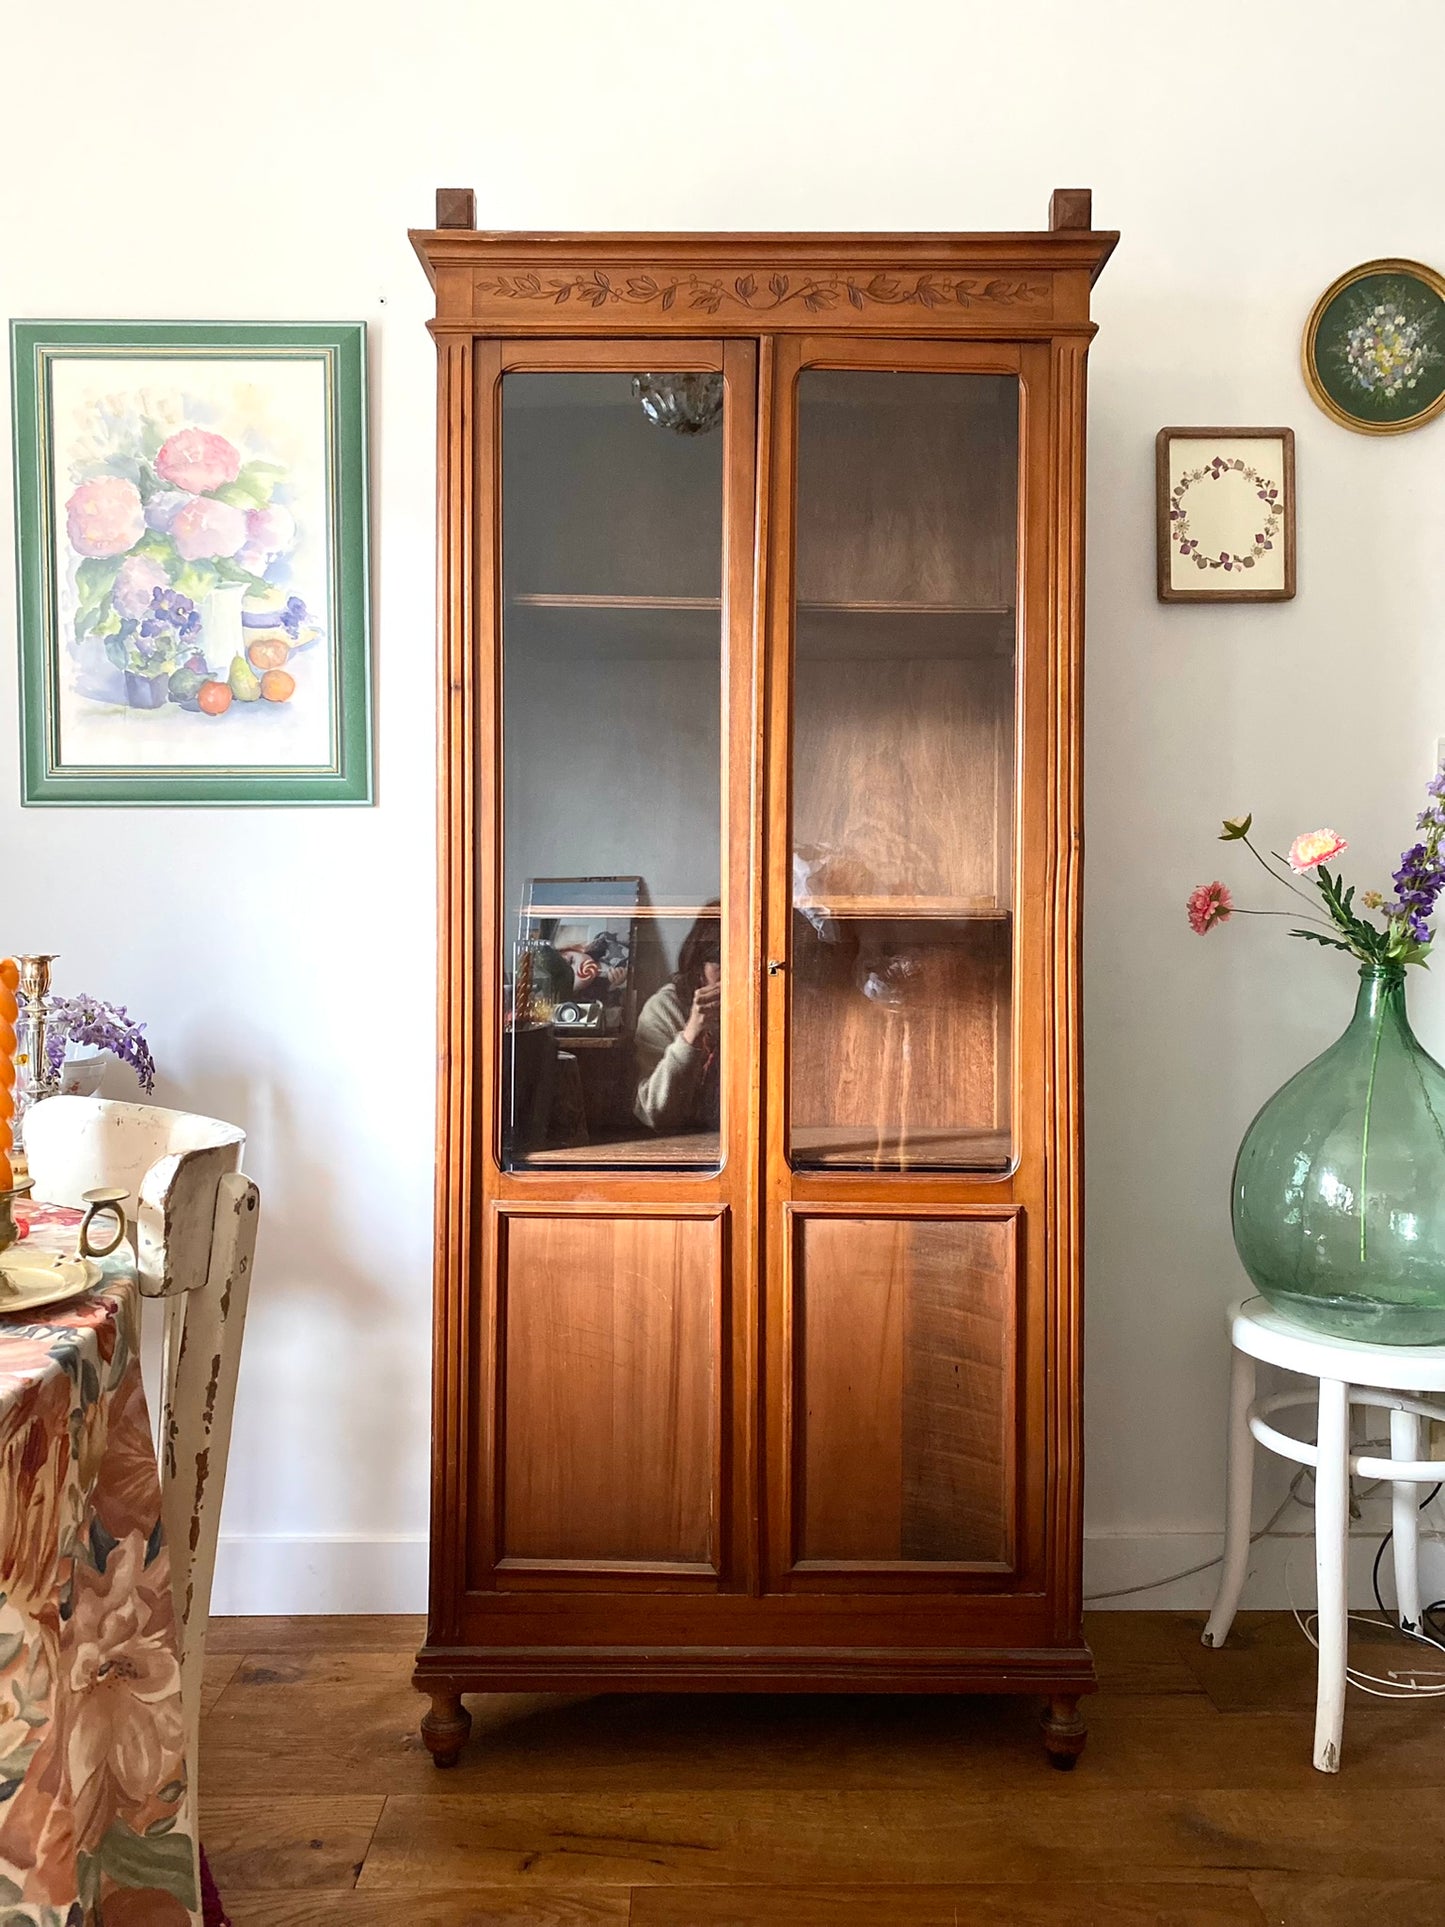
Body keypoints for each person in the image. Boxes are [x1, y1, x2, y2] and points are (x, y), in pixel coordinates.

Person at [634, 910, 721, 1133]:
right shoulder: (664, 1008)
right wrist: (691, 1033)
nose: (732, 972)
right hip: (679, 1143)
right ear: (698, 966)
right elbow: (655, 1113)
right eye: (719, 962)